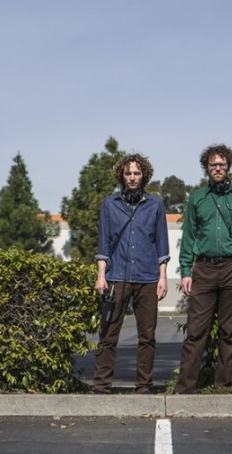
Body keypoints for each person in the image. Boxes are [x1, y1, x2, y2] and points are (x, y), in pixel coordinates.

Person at [175, 143, 232, 394]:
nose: (217, 168)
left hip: (231, 268)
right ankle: (184, 387)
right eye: (213, 164)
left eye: (222, 165)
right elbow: (189, 237)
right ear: (206, 167)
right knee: (196, 332)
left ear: (228, 168)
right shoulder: (197, 198)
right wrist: (185, 271)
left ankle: (223, 385)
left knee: (229, 331)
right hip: (203, 269)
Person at [93, 153, 170, 394]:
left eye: (137, 173)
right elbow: (104, 243)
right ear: (122, 176)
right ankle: (102, 385)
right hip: (116, 277)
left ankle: (143, 385)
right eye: (128, 173)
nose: (133, 177)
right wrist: (101, 275)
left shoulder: (155, 204)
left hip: (148, 278)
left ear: (144, 175)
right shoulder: (110, 204)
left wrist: (163, 277)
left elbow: (162, 243)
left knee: (147, 336)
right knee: (108, 335)